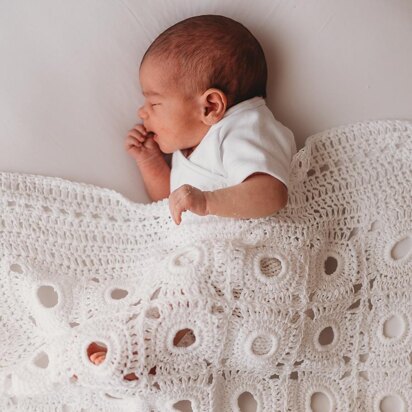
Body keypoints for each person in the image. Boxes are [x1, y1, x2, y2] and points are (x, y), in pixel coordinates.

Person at [87, 14, 296, 375]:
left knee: (184, 295)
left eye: (154, 103)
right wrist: (152, 162)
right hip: (198, 259)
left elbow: (271, 194)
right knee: (155, 289)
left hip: (247, 258)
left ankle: (140, 352)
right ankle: (136, 341)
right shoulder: (191, 148)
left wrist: (207, 202)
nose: (142, 113)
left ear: (210, 106)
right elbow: (171, 208)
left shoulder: (243, 127)